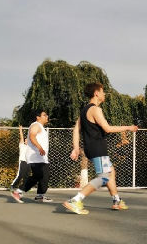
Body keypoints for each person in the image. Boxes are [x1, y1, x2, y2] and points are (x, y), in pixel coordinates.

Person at [62, 83, 138, 215]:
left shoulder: (84, 110)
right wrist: (128, 128)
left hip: (91, 148)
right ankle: (75, 200)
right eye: (102, 91)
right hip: (98, 148)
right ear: (96, 93)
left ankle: (116, 200)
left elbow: (76, 130)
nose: (104, 94)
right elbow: (107, 129)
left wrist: (76, 148)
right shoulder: (95, 110)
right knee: (104, 177)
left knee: (110, 172)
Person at [11, 110, 53, 203]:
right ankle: (18, 191)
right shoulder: (36, 125)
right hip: (35, 156)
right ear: (38, 117)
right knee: (38, 175)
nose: (47, 116)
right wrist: (40, 148)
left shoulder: (41, 127)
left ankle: (40, 196)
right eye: (44, 115)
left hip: (41, 157)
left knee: (45, 176)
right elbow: (32, 136)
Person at [9, 125, 31, 192]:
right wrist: (20, 130)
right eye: (26, 140)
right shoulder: (22, 145)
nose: (27, 141)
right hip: (22, 161)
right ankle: (12, 186)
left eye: (28, 140)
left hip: (29, 162)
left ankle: (24, 187)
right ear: (24, 141)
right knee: (20, 175)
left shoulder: (30, 147)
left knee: (27, 175)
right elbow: (21, 137)